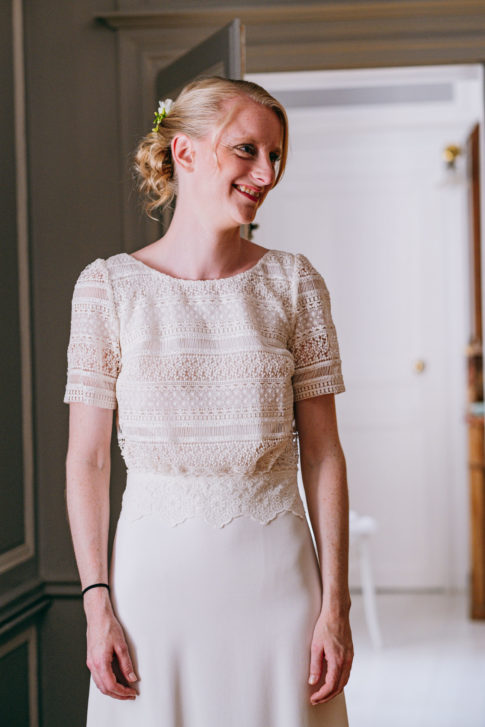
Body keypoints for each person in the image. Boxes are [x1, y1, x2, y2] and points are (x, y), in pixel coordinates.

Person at [64, 75, 353, 727]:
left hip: (280, 587)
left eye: (275, 155)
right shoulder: (107, 288)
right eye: (246, 149)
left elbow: (324, 454)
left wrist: (335, 605)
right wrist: (96, 604)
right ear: (184, 150)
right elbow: (88, 460)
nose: (266, 173)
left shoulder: (294, 283)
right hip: (149, 592)